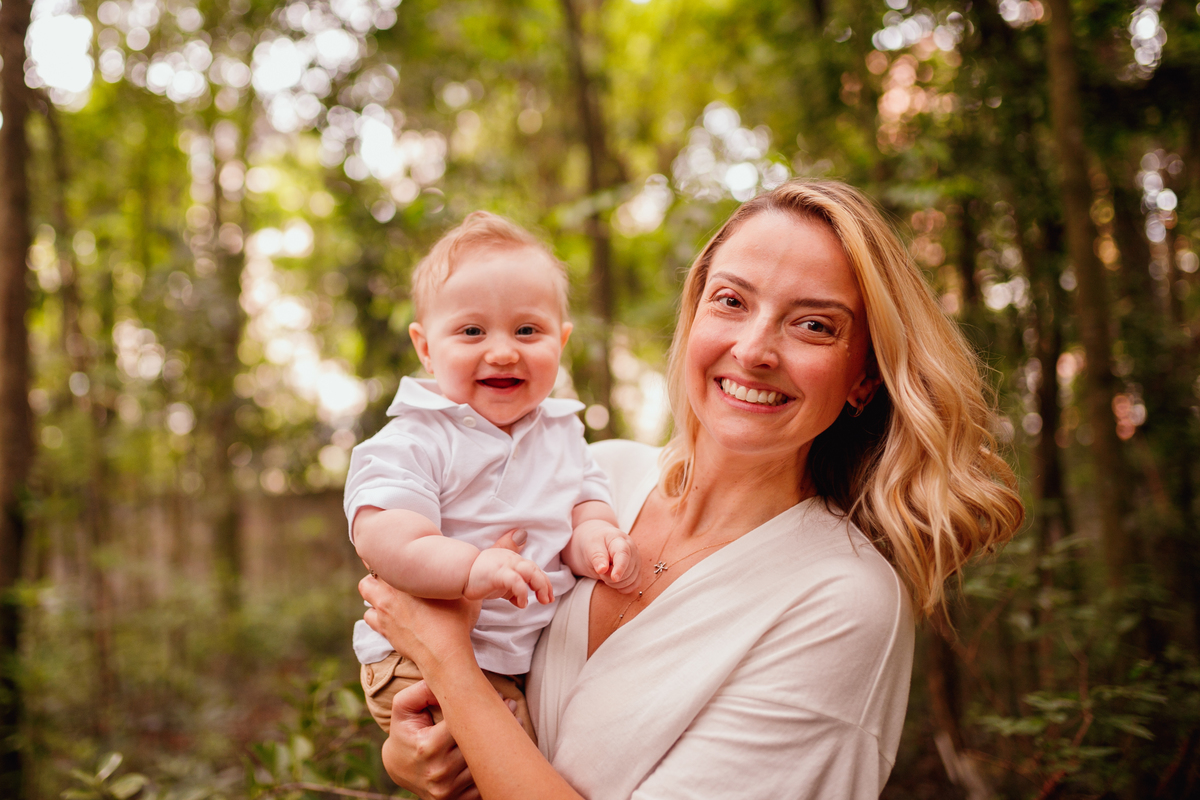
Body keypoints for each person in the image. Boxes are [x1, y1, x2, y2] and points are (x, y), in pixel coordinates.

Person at [359, 180, 1025, 799]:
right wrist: (413, 753)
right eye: (732, 301)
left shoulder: (842, 599)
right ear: (695, 314)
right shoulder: (598, 476)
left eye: (814, 324)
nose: (756, 349)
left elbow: (453, 656)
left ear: (863, 380)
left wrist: (446, 660)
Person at [345, 211, 640, 741]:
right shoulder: (415, 437)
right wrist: (472, 569)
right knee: (508, 767)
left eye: (528, 330)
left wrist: (596, 537)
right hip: (417, 660)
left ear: (562, 340)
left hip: (520, 662)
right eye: (472, 331)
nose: (503, 350)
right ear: (426, 348)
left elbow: (583, 505)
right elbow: (384, 539)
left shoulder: (563, 431)